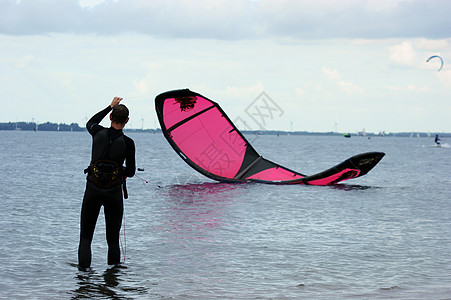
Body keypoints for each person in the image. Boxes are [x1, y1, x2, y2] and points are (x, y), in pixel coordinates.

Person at [78, 97, 136, 271]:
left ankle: (83, 278)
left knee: (86, 238)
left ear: (110, 118)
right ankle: (112, 282)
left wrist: (109, 106)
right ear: (127, 121)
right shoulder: (128, 143)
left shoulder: (97, 132)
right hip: (113, 193)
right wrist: (120, 171)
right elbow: (131, 172)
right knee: (112, 239)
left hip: (92, 190)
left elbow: (91, 121)